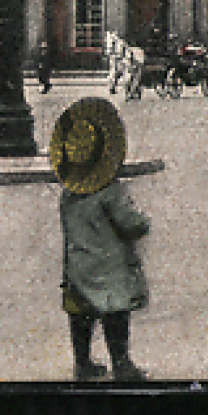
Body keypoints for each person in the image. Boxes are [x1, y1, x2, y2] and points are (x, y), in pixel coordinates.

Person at [50, 97, 151, 382]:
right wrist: (143, 224)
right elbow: (130, 224)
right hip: (109, 269)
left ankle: (82, 363)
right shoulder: (111, 192)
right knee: (115, 317)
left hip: (78, 267)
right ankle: (122, 364)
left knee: (80, 318)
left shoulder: (68, 195)